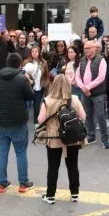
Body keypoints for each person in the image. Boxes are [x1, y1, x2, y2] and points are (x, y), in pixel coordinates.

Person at [0, 53, 35, 193]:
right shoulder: (21, 79)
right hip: (17, 122)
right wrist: (29, 82)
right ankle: (23, 183)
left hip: (0, 121)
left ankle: (2, 183)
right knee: (20, 152)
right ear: (20, 65)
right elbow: (31, 96)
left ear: (7, 63)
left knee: (2, 151)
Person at [37, 74, 86, 204]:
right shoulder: (74, 99)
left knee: (53, 167)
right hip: (72, 137)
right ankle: (75, 193)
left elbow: (40, 120)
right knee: (73, 166)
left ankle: (50, 195)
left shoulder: (48, 100)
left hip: (54, 138)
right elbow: (83, 116)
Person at [76, 41, 109, 148]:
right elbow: (77, 76)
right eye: (85, 48)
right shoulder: (82, 60)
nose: (86, 50)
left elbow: (101, 77)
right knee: (88, 115)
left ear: (94, 48)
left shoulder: (101, 60)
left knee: (100, 116)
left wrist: (88, 87)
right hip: (85, 93)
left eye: (88, 48)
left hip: (97, 93)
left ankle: (105, 140)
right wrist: (83, 88)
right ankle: (91, 136)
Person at [23, 46, 50, 125]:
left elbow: (46, 75)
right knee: (26, 105)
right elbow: (22, 73)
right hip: (28, 87)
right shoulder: (26, 62)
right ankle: (23, 121)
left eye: (36, 51)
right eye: (32, 51)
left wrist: (44, 84)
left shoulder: (43, 62)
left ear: (39, 53)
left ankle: (36, 123)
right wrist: (29, 79)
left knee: (37, 106)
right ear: (30, 53)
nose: (34, 53)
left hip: (39, 87)